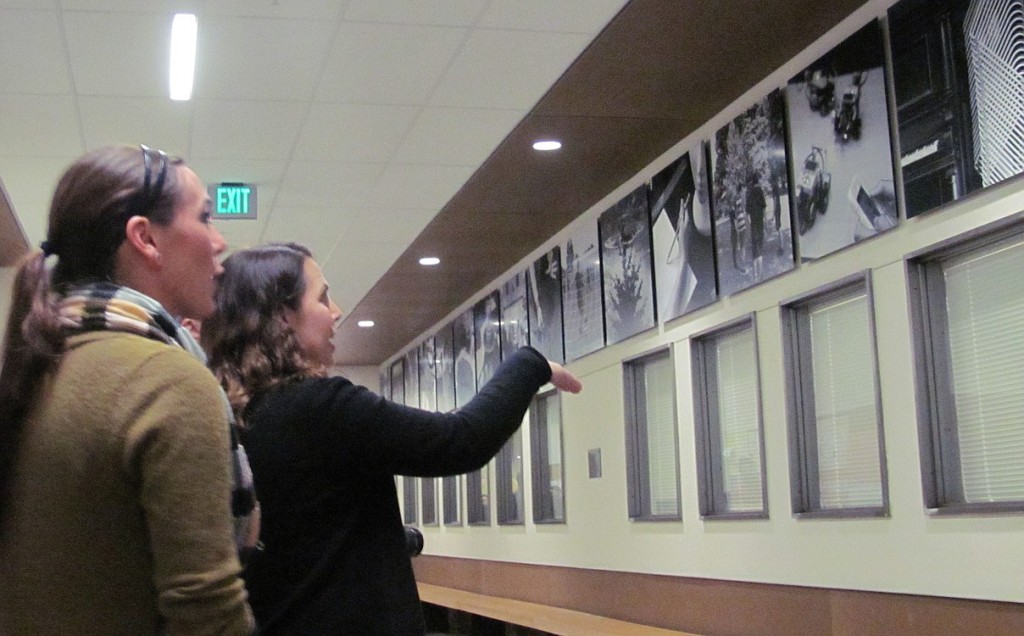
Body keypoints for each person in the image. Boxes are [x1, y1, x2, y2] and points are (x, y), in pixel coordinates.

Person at [201, 242, 584, 635]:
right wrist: (531, 364)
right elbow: (461, 440)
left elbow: (305, 541)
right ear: (283, 316)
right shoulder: (321, 407)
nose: (336, 311)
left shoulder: (233, 416)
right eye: (323, 297)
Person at [0, 145, 256, 634]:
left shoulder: (31, 370)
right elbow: (208, 615)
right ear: (145, 238)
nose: (220, 241)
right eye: (204, 217)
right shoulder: (169, 382)